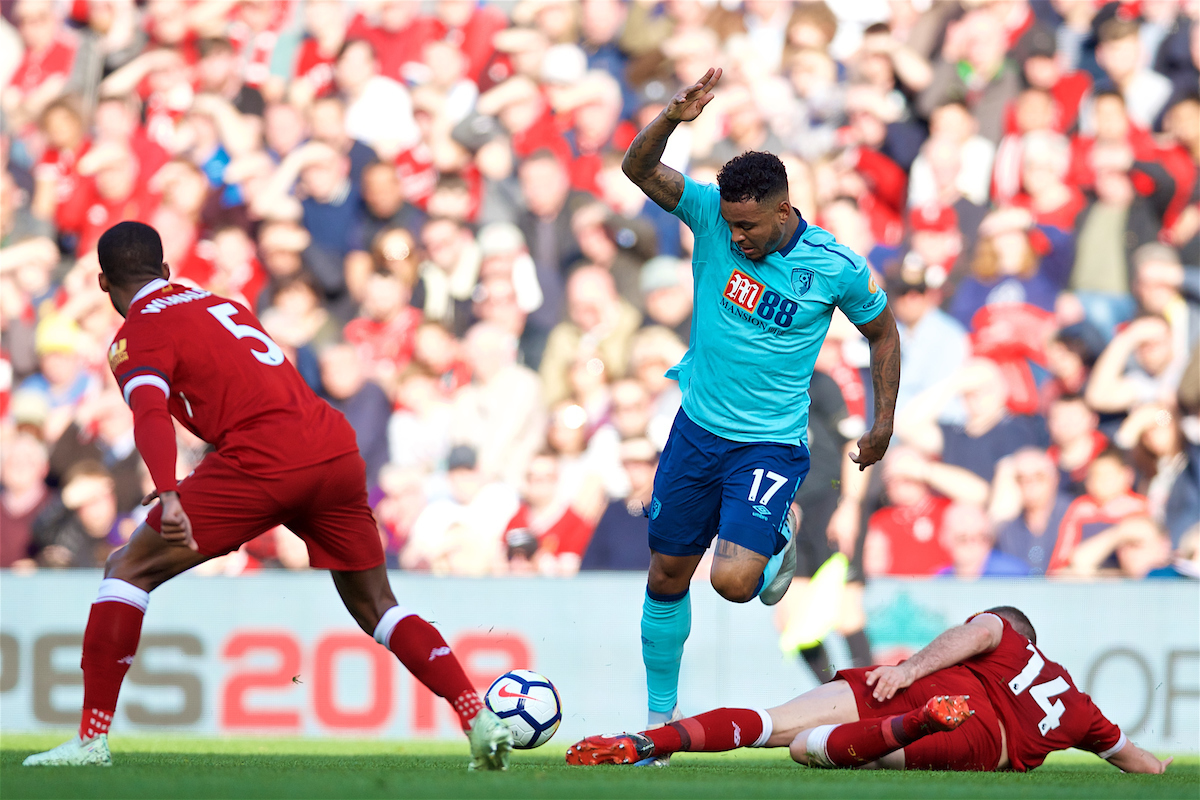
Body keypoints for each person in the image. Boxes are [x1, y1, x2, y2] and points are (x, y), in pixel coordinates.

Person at [22, 222, 512, 770]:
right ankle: (478, 717)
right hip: (332, 446)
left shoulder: (136, 334)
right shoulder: (220, 302)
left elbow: (150, 413)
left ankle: (90, 741)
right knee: (378, 606)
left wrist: (168, 491)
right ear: (164, 271)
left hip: (263, 457)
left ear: (102, 282)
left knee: (126, 569)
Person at [620, 68, 901, 749]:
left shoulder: (834, 264)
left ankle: (779, 527)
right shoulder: (711, 216)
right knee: (665, 574)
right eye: (732, 224)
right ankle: (660, 717)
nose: (737, 237)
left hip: (770, 445)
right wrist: (670, 119)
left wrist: (883, 420)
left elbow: (883, 332)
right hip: (697, 431)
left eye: (749, 226)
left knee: (736, 585)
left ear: (783, 211)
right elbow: (638, 168)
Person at [566, 606, 1172, 776]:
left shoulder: (1005, 636)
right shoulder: (1079, 707)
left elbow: (984, 627)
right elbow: (1134, 760)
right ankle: (918, 723)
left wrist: (907, 670)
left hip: (909, 687)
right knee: (807, 749)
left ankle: (649, 739)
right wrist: (1161, 767)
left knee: (772, 724)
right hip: (976, 734)